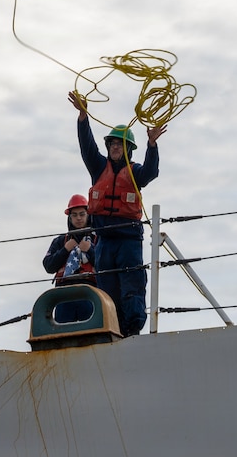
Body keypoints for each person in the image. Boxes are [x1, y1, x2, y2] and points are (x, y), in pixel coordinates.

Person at [68, 91, 166, 336]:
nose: (114, 148)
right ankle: (112, 329)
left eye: (119, 145)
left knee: (132, 286)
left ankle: (133, 330)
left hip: (129, 240)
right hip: (105, 241)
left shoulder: (136, 172)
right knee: (107, 287)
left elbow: (152, 172)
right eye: (111, 144)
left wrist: (152, 145)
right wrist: (83, 116)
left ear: (128, 149)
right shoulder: (98, 167)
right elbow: (86, 147)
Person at [43, 195, 96, 285]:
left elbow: (107, 265)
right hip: (64, 289)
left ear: (88, 216)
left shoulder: (97, 239)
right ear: (70, 218)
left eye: (82, 214)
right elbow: (48, 267)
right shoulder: (60, 241)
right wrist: (65, 250)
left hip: (91, 288)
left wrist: (90, 251)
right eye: (74, 215)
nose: (78, 218)